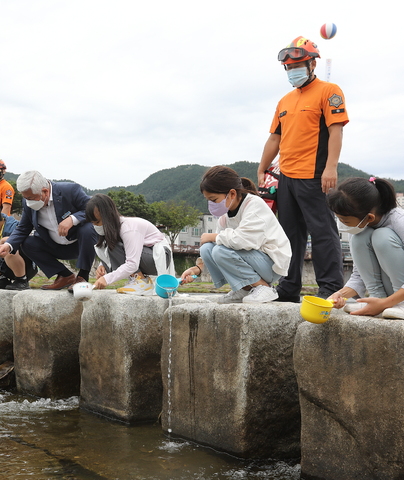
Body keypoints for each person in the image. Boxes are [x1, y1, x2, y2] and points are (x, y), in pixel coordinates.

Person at [257, 36, 349, 302]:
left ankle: (330, 288)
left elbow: (336, 131)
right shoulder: (284, 101)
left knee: (322, 232)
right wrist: (262, 168)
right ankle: (288, 289)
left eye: (298, 64)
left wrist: (331, 168)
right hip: (286, 176)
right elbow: (275, 137)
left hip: (315, 175)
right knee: (288, 236)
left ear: (311, 64)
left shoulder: (329, 91)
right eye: (288, 66)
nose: (292, 70)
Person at [326, 177, 404, 319]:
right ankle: (376, 298)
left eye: (344, 220)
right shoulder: (360, 227)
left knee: (382, 236)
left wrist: (384, 304)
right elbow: (360, 275)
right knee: (360, 237)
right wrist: (339, 295)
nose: (342, 225)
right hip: (393, 291)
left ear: (370, 217)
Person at [188, 166, 291, 304]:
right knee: (207, 249)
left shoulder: (254, 205)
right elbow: (218, 242)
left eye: (214, 200)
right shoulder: (225, 215)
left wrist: (214, 237)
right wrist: (197, 269)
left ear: (231, 194)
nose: (211, 205)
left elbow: (245, 240)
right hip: (254, 260)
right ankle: (244, 288)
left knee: (219, 250)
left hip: (271, 264)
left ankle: (264, 287)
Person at [0, 170, 97, 290]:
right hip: (54, 246)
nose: (29, 202)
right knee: (27, 243)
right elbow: (23, 228)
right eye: (25, 198)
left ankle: (83, 276)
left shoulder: (70, 190)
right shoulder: (28, 203)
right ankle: (65, 276)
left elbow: (93, 209)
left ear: (45, 191)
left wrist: (73, 219)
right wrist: (8, 245)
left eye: (31, 198)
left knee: (88, 228)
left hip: (78, 244)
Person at [85, 194, 174, 295]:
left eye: (97, 222)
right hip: (148, 255)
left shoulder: (128, 228)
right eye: (93, 223)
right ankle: (138, 280)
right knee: (112, 246)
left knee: (114, 246)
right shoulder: (114, 229)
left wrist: (107, 279)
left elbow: (132, 263)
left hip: (160, 257)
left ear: (108, 216)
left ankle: (142, 282)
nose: (96, 226)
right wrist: (103, 265)